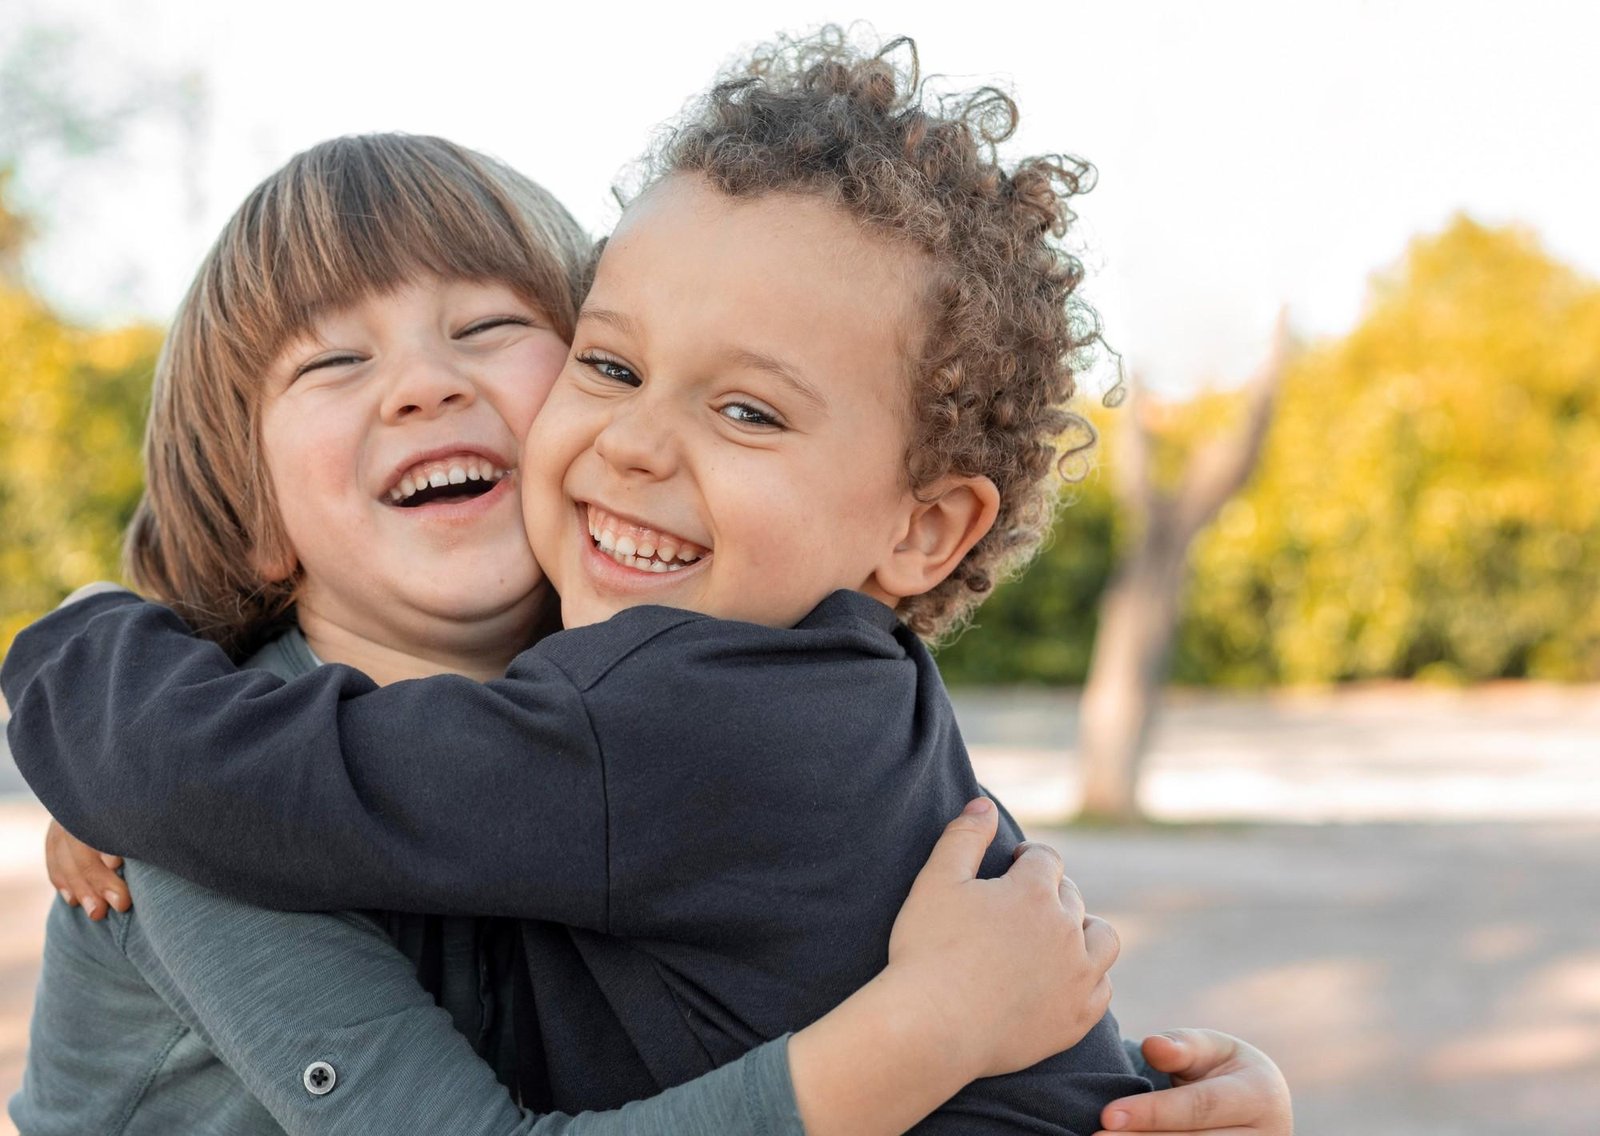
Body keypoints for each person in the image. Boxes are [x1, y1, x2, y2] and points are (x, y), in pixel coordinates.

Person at [4, 31, 1294, 1136]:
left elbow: (189, 769)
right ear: (251, 507)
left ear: (923, 528)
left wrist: (86, 675)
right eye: (616, 371)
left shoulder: (663, 715)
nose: (424, 386)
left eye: (490, 328)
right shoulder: (214, 831)